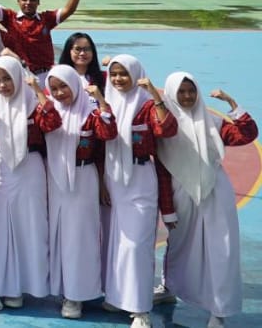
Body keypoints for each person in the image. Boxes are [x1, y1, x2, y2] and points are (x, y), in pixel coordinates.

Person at [0, 57, 59, 314]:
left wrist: (38, 91)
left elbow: (52, 123)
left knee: (30, 227)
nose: (2, 85)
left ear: (17, 77)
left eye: (7, 79)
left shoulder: (33, 102)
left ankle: (21, 289)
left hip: (30, 168)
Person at [158, 73, 256, 328]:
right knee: (179, 245)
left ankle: (219, 310)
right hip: (181, 193)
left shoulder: (211, 121)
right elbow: (162, 171)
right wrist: (167, 209)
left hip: (215, 192)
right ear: (171, 94)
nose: (187, 96)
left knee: (221, 248)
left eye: (191, 91)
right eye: (181, 92)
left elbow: (246, 134)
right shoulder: (164, 125)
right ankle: (170, 288)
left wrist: (232, 104)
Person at [100, 56, 176, 328]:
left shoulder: (146, 105)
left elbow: (166, 129)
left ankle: (141, 309)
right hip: (113, 179)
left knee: (137, 245)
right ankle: (118, 296)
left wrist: (155, 96)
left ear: (136, 74)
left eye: (124, 74)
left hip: (141, 179)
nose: (118, 79)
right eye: (114, 74)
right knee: (115, 242)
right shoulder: (107, 102)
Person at [44, 66, 117, 319]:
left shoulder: (90, 113)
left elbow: (108, 134)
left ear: (76, 85)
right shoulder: (50, 111)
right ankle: (63, 289)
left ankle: (77, 295)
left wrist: (102, 102)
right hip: (55, 180)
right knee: (59, 235)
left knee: (80, 237)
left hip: (83, 179)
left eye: (64, 86)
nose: (59, 93)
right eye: (54, 88)